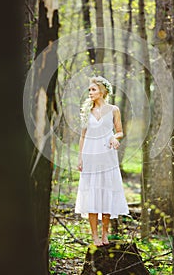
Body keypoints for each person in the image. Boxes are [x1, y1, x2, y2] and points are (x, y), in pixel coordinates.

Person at [75, 76, 129, 246]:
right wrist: (80, 158)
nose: (90, 92)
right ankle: (94, 236)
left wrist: (114, 137)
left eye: (93, 89)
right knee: (92, 194)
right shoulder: (86, 111)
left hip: (107, 155)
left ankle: (105, 234)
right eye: (89, 90)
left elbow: (120, 131)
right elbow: (83, 137)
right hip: (90, 155)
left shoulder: (114, 109)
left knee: (106, 193)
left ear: (103, 91)